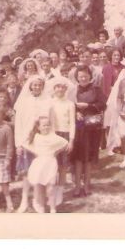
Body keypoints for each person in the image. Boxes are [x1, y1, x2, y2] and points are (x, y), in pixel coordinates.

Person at [14, 75, 50, 212]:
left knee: (39, 171)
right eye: (34, 85)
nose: (37, 87)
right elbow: (18, 124)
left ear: (42, 87)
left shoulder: (47, 101)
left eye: (39, 85)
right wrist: (19, 144)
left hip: (41, 141)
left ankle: (38, 201)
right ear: (30, 86)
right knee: (26, 172)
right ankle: (24, 201)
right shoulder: (24, 102)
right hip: (26, 140)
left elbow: (49, 122)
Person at [71, 65, 107, 197]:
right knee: (78, 158)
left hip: (92, 127)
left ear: (90, 76)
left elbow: (104, 104)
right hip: (79, 127)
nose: (83, 78)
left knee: (88, 158)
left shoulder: (96, 89)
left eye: (85, 75)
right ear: (77, 78)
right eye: (80, 76)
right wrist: (75, 113)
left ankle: (87, 185)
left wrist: (89, 106)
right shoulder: (73, 90)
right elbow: (68, 105)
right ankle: (77, 186)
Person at [23, 117, 69, 213]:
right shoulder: (36, 137)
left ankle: (53, 209)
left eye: (48, 125)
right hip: (39, 165)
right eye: (44, 125)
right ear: (38, 127)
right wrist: (35, 152)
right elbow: (25, 144)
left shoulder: (53, 137)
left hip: (50, 164)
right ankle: (42, 207)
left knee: (51, 188)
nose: (46, 127)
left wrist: (56, 152)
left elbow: (65, 143)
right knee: (40, 188)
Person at [48, 76, 76, 206]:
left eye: (62, 87)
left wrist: (71, 140)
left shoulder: (70, 104)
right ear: (54, 89)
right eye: (57, 87)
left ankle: (60, 191)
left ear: (66, 89)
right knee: (53, 166)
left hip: (65, 136)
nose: (60, 89)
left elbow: (72, 124)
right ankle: (51, 192)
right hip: (53, 135)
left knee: (63, 166)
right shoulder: (50, 103)